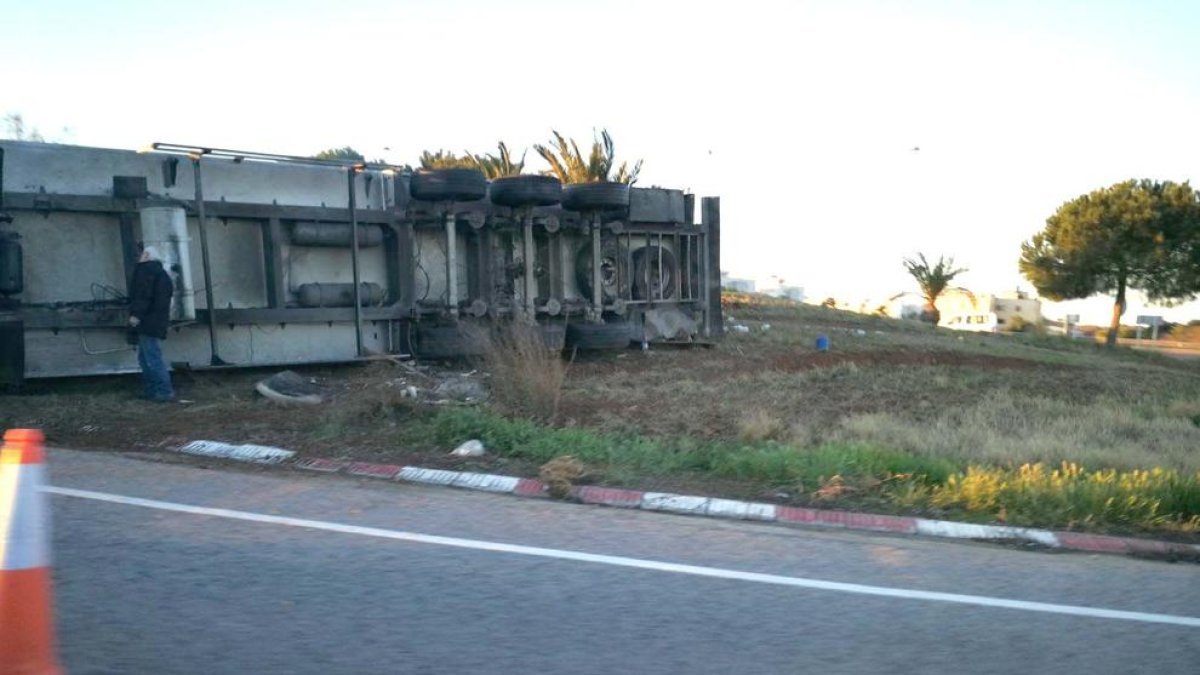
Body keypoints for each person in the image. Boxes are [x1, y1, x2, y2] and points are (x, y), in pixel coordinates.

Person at [128, 244, 175, 402]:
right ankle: (157, 390)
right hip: (157, 320)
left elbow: (143, 296)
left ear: (147, 255)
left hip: (147, 321)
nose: (139, 256)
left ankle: (162, 391)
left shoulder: (145, 271)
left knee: (150, 358)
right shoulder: (161, 274)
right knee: (148, 356)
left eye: (142, 253)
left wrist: (136, 315)